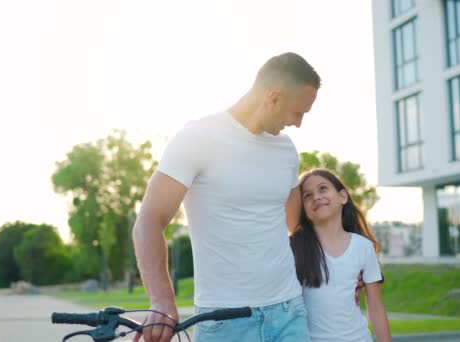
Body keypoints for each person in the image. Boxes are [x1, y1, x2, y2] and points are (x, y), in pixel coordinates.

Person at [131, 52, 321, 342]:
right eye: (298, 112)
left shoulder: (286, 150)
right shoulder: (198, 138)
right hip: (225, 321)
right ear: (273, 97)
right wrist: (161, 301)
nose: (298, 124)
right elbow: (149, 220)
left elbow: (297, 225)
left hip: (289, 312)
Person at [290, 168, 391, 342]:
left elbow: (375, 307)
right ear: (304, 210)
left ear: (342, 196)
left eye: (323, 188)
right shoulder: (294, 248)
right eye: (307, 195)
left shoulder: (363, 247)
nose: (316, 197)